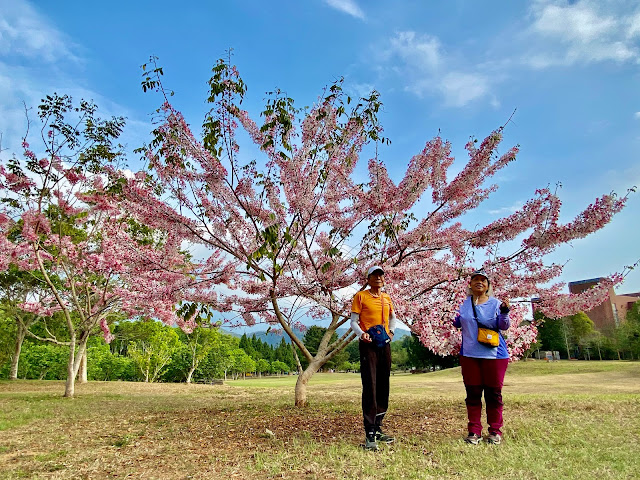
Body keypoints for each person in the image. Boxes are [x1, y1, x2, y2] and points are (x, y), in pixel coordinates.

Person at [453, 269, 510, 445]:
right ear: (469, 284)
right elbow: (458, 322)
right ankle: (474, 431)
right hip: (469, 354)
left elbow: (503, 325)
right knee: (473, 393)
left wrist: (505, 312)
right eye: (475, 279)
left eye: (483, 280)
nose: (479, 282)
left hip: (494, 355)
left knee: (493, 394)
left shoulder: (496, 303)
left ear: (488, 285)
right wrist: (453, 319)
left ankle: (494, 431)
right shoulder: (464, 304)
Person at [350, 265, 398, 451]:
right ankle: (369, 430)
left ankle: (378, 427)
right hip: (368, 345)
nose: (378, 278)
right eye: (374, 275)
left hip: (384, 344)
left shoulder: (386, 298)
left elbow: (393, 318)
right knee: (370, 385)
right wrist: (361, 334)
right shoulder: (360, 296)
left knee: (383, 385)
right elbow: (353, 320)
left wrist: (391, 332)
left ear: (384, 279)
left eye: (380, 275)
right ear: (368, 279)